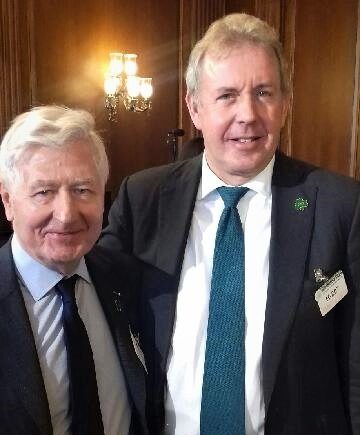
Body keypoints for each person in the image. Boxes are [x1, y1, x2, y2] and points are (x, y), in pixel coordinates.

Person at [99, 13, 360, 435]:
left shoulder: (340, 206)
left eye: (263, 92)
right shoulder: (142, 199)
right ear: (194, 107)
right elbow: (91, 299)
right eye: (226, 95)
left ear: (286, 104)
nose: (248, 114)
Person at [0, 106, 148, 435]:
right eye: (43, 192)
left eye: (82, 190)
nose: (66, 215)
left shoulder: (125, 276)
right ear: (8, 201)